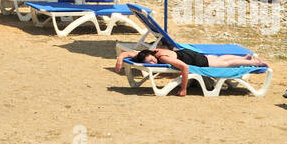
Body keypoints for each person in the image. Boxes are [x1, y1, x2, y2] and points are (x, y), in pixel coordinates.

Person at [114, 46, 268, 95]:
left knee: (225, 64)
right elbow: (129, 53)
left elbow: (185, 68)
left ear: (151, 55)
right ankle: (247, 58)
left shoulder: (164, 58)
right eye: (150, 62)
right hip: (187, 53)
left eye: (152, 60)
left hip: (196, 61)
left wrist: (183, 88)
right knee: (219, 58)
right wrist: (120, 59)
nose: (153, 62)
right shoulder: (151, 51)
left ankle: (254, 62)